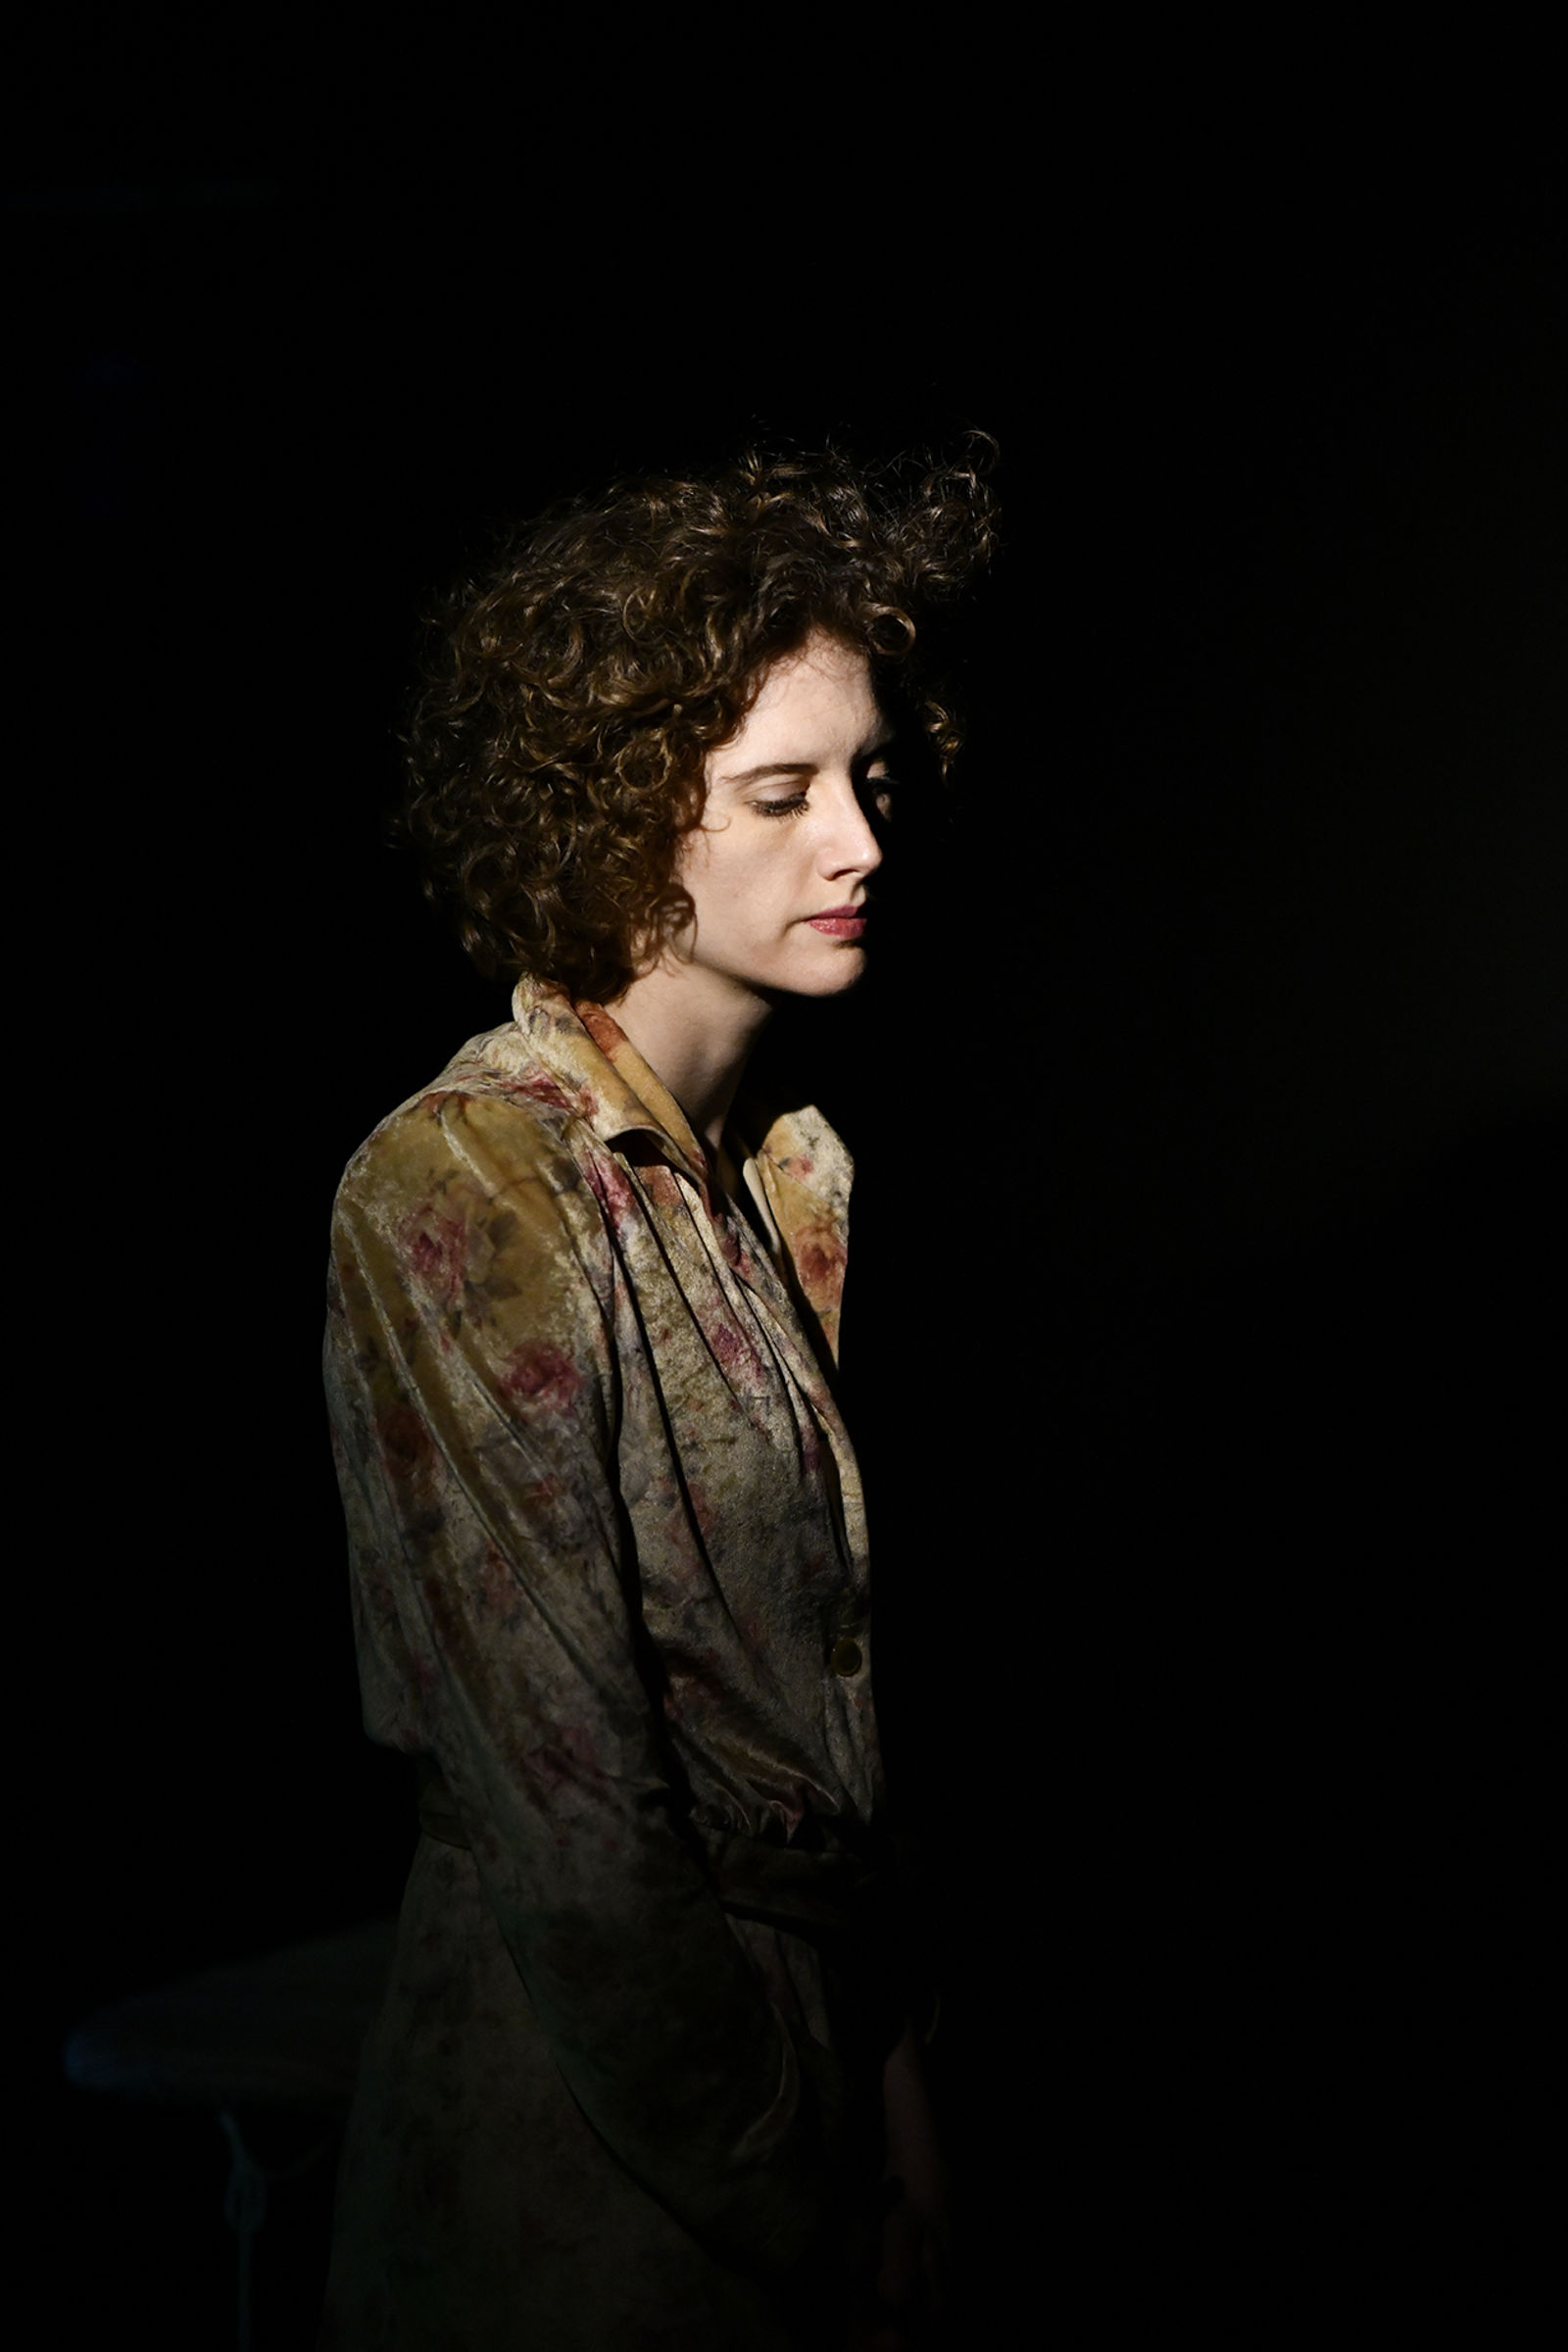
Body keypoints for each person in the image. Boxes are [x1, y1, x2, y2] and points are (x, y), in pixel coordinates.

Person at [319, 443, 996, 2349]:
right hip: (595, 2163)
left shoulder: (785, 1176)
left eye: (868, 780)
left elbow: (824, 1737)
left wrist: (896, 2085)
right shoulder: (471, 1183)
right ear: (617, 818)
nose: (859, 845)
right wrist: (802, 2186)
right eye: (780, 795)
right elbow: (570, 1813)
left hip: (813, 2088)